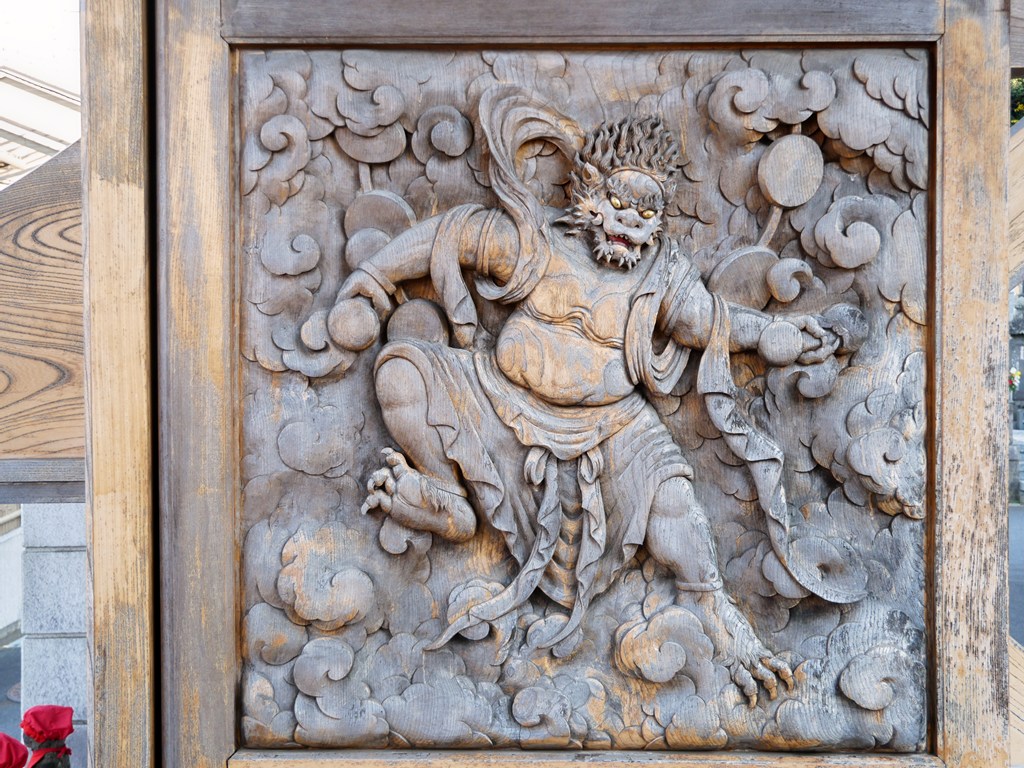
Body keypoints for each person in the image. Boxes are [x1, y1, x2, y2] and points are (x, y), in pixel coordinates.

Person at [330, 113, 838, 705]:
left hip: (608, 425)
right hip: (497, 401)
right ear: (587, 191)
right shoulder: (536, 241)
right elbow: (453, 234)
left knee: (673, 496)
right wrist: (371, 278)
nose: (629, 223)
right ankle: (448, 496)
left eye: (646, 214)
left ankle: (714, 609)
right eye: (618, 205)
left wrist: (776, 335)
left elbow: (711, 323)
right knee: (401, 370)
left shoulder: (661, 274)